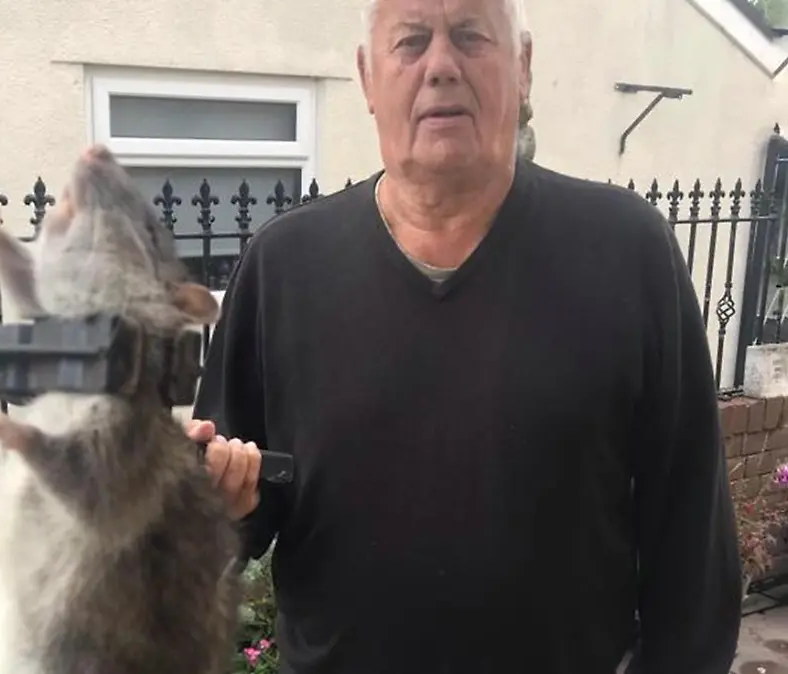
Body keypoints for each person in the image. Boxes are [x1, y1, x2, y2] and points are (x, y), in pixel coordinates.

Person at [184, 0, 743, 672]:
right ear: (367, 77)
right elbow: (232, 510)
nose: (441, 65)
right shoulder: (282, 269)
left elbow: (693, 548)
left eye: (471, 35)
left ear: (524, 66)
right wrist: (217, 507)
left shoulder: (629, 253)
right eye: (412, 41)